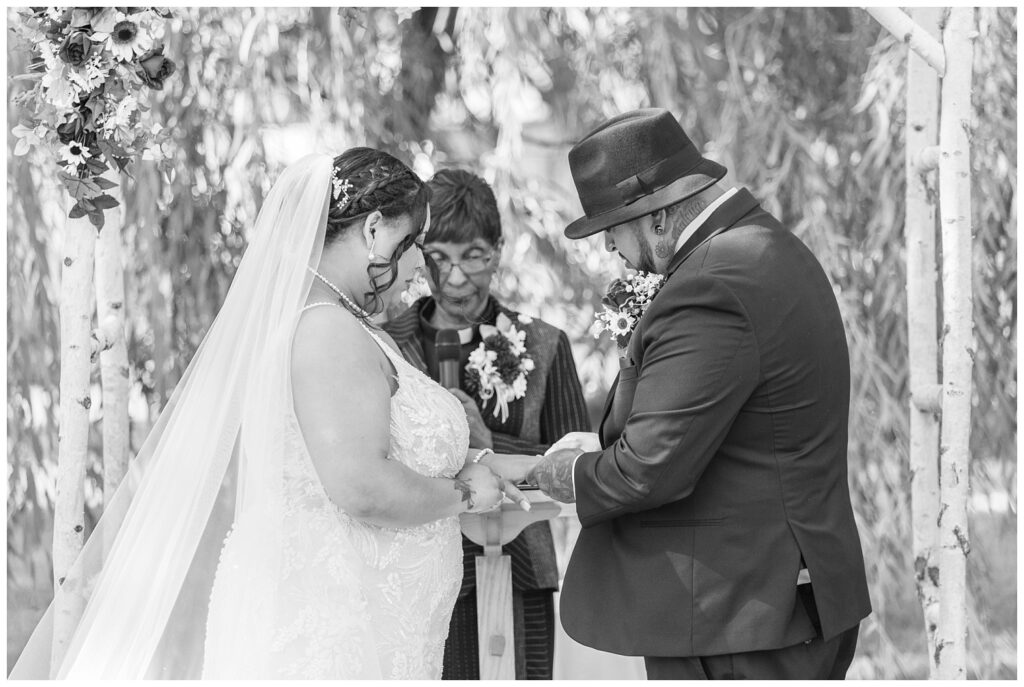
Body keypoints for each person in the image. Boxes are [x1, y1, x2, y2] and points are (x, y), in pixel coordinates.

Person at [11, 149, 535, 680]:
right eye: (415, 242)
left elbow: (393, 447)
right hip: (336, 633)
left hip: (375, 624)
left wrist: (523, 468)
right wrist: (467, 495)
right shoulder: (327, 330)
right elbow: (362, 487)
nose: (421, 263)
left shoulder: (340, 322)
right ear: (374, 230)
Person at [528, 109, 872, 679]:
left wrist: (569, 475)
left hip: (740, 617)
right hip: (782, 601)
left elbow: (648, 468)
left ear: (658, 219)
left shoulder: (711, 284)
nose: (611, 247)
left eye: (612, 228)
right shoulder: (769, 247)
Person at [384, 169, 590, 680]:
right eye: (438, 258)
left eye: (473, 256)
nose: (455, 278)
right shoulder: (384, 343)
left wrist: (486, 443)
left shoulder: (544, 345)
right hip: (413, 578)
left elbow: (577, 472)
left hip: (522, 578)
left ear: (498, 250)